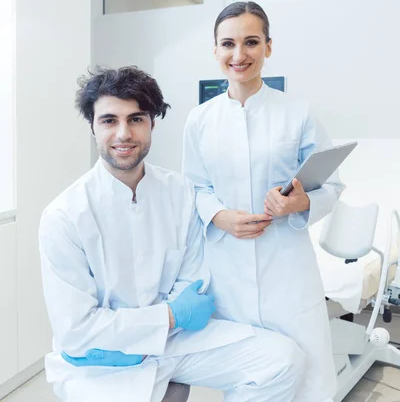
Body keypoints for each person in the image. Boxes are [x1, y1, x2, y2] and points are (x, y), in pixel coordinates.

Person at [39, 65, 305, 402]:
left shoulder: (180, 191)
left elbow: (191, 279)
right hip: (99, 358)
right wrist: (164, 316)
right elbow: (76, 329)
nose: (124, 133)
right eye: (109, 120)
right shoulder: (64, 216)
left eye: (136, 119)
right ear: (92, 127)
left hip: (173, 338)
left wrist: (168, 320)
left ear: (152, 123)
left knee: (282, 360)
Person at [183, 2, 345, 402]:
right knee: (251, 377)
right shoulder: (199, 120)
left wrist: (299, 204)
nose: (239, 55)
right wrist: (220, 216)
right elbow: (194, 189)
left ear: (268, 47)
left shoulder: (298, 114)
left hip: (287, 268)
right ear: (215, 51)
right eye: (228, 44)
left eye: (251, 42)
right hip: (228, 270)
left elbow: (332, 186)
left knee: (307, 375)